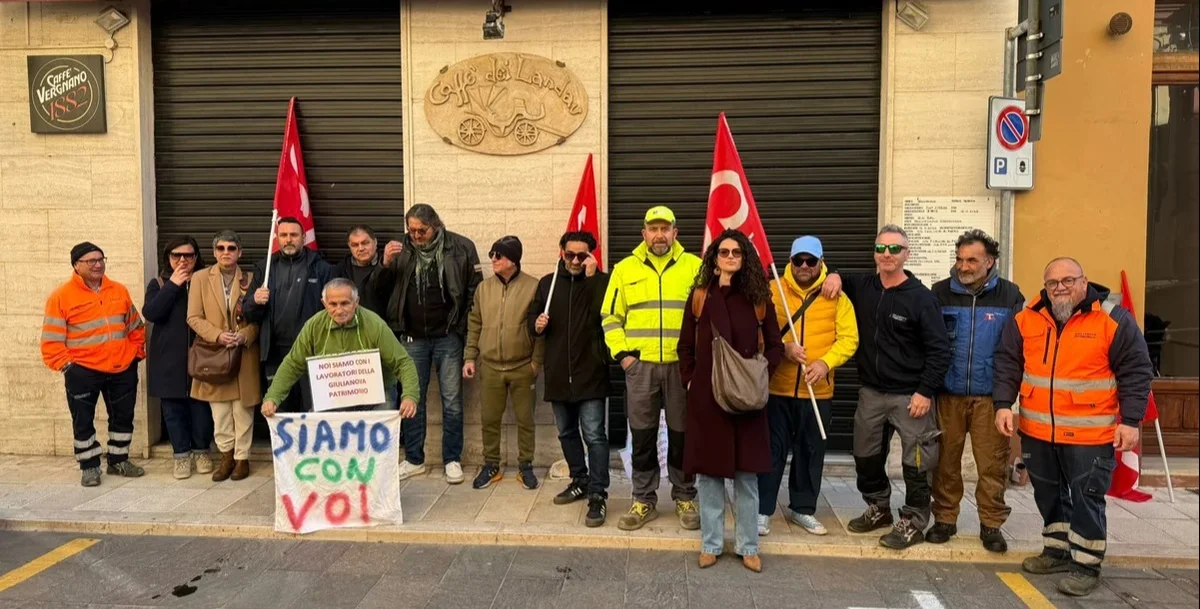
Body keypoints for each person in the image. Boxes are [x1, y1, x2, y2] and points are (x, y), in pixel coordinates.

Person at [994, 258, 1153, 597]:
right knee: (1048, 495)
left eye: (1068, 280)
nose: (1060, 287)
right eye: (1053, 283)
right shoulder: (1026, 318)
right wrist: (1003, 404)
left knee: (1086, 499)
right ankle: (1057, 550)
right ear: (1045, 287)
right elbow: (1008, 362)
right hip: (1038, 432)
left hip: (1090, 435)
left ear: (1084, 282)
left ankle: (1086, 565)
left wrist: (1130, 421)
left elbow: (1137, 371)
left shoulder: (1112, 319)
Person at [825, 225, 951, 549]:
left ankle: (913, 521)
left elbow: (940, 350)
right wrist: (835, 276)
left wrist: (926, 391)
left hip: (911, 396)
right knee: (865, 456)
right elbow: (837, 275)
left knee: (917, 464)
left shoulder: (921, 299)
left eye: (895, 249)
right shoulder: (864, 286)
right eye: (881, 248)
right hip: (871, 392)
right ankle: (878, 507)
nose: (887, 255)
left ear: (907, 254)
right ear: (874, 253)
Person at [679, 229, 783, 573]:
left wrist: (759, 378)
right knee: (709, 477)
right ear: (714, 257)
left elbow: (774, 344)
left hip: (748, 402)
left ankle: (748, 546)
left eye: (736, 253)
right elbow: (685, 347)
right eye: (723, 252)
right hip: (708, 400)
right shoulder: (699, 297)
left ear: (745, 257)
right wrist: (691, 379)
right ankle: (710, 544)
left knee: (746, 477)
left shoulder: (758, 298)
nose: (729, 258)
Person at [602, 205, 702, 531]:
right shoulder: (624, 269)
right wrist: (624, 357)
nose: (659, 235)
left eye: (665, 228)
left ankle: (685, 496)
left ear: (676, 232)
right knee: (643, 436)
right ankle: (643, 500)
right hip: (641, 367)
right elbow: (610, 317)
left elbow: (707, 317)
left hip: (680, 367)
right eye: (653, 229)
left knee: (682, 435)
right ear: (643, 233)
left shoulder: (695, 268)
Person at [928, 230, 1024, 552]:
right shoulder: (939, 293)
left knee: (992, 464)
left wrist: (1006, 400)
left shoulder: (1010, 297)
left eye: (971, 260)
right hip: (948, 395)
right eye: (959, 259)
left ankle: (991, 525)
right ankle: (944, 519)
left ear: (990, 261)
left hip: (991, 399)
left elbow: (1016, 350)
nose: (963, 266)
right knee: (945, 462)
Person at [372, 204, 482, 485]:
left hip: (448, 337)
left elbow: (475, 292)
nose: (416, 235)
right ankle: (414, 459)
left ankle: (452, 459)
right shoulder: (401, 250)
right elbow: (377, 291)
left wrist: (463, 332)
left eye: (422, 230)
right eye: (412, 229)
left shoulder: (461, 247)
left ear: (436, 225)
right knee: (412, 400)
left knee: (452, 401)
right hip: (411, 338)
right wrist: (384, 263)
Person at [757, 236, 858, 537]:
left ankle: (803, 508)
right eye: (798, 260)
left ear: (821, 262)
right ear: (789, 261)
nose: (804, 266)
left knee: (810, 450)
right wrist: (783, 349)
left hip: (818, 390)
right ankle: (763, 510)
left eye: (811, 261)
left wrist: (826, 363)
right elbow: (758, 331)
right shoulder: (772, 290)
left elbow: (849, 338)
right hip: (777, 388)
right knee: (771, 452)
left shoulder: (836, 296)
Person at [41, 242, 146, 486]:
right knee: (83, 421)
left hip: (122, 369)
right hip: (83, 372)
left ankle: (119, 460)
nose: (98, 264)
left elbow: (135, 326)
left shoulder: (118, 290)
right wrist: (69, 368)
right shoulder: (61, 296)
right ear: (76, 265)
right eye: (91, 261)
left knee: (123, 417)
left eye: (101, 259)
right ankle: (89, 466)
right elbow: (51, 341)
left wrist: (135, 354)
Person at [530, 231, 611, 526]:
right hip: (558, 374)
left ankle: (598, 493)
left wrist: (590, 280)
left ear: (591, 255)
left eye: (582, 255)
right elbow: (532, 320)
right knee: (566, 432)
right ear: (561, 252)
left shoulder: (601, 282)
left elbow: (598, 318)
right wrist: (536, 324)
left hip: (590, 373)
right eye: (570, 255)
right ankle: (580, 478)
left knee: (595, 435)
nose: (575, 261)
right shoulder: (548, 284)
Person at [260, 279, 419, 419]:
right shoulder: (314, 326)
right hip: (333, 396)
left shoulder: (375, 325)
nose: (339, 310)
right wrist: (272, 397)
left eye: (345, 303)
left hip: (378, 396)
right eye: (333, 304)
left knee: (379, 441)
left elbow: (403, 363)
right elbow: (293, 364)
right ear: (324, 303)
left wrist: (410, 396)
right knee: (318, 432)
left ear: (356, 302)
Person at [464, 236, 545, 490]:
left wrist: (536, 364)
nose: (493, 260)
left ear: (513, 259)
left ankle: (526, 466)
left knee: (525, 420)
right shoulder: (483, 289)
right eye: (492, 255)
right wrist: (470, 356)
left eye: (498, 255)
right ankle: (491, 465)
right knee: (489, 419)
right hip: (490, 367)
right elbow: (474, 323)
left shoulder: (534, 287)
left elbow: (540, 330)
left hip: (522, 367)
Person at [188, 230, 261, 482]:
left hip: (243, 354)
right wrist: (218, 335)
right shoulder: (199, 278)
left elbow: (261, 319)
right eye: (221, 248)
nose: (226, 253)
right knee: (219, 412)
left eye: (231, 248)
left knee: (243, 411)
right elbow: (193, 317)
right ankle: (226, 457)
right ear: (214, 252)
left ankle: (242, 458)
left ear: (239, 252)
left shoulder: (252, 279)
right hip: (213, 354)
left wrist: (244, 336)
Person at [243, 216, 335, 414]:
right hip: (275, 354)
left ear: (303, 237)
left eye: (294, 235)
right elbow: (247, 313)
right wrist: (254, 301)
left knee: (313, 410)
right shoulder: (264, 269)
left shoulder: (322, 269)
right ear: (277, 238)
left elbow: (336, 310)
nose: (288, 239)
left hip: (312, 353)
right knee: (279, 410)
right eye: (283, 235)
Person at [144, 236, 214, 480]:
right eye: (177, 256)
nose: (183, 260)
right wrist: (173, 285)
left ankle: (202, 451)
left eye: (188, 255)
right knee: (173, 409)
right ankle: (181, 455)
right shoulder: (159, 283)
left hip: (202, 357)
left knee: (201, 408)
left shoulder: (205, 281)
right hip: (169, 360)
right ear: (168, 258)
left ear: (196, 258)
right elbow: (152, 312)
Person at [335, 224, 384, 316]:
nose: (361, 248)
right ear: (349, 247)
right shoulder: (341, 269)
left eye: (365, 243)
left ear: (375, 242)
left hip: (382, 325)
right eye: (355, 245)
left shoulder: (388, 265)